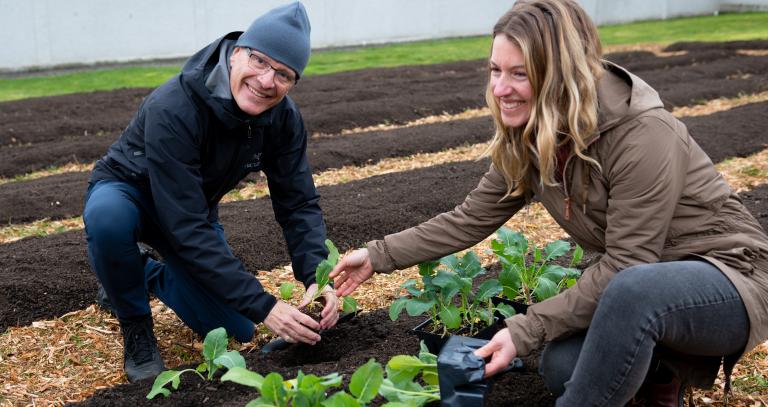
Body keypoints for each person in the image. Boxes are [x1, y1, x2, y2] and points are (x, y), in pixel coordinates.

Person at [330, 0, 768, 405]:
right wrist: (378, 255)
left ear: (559, 73)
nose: (501, 88)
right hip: (645, 284)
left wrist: (524, 330)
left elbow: (630, 266)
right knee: (562, 365)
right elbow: (471, 217)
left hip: (728, 277)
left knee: (632, 291)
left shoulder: (643, 134)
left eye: (519, 73)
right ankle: (660, 375)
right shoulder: (534, 135)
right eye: (494, 70)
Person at [83, 2, 339, 383]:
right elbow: (185, 226)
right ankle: (135, 326)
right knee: (107, 220)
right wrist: (266, 305)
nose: (267, 81)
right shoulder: (176, 105)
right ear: (236, 54)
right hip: (130, 194)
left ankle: (140, 271)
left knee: (237, 327)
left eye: (284, 74)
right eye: (260, 61)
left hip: (191, 209)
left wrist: (317, 278)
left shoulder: (283, 119)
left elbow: (298, 202)